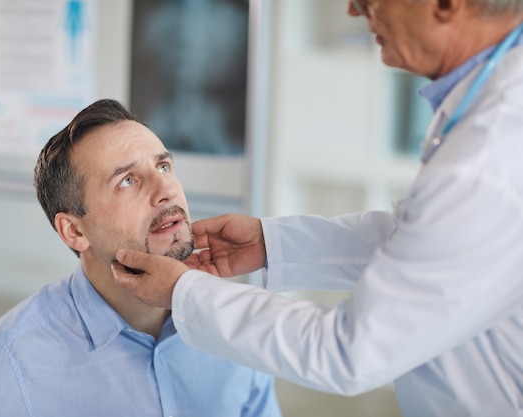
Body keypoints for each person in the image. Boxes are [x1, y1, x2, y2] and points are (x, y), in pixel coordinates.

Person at [112, 1, 523, 416]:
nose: (354, 9)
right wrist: (273, 243)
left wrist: (186, 293)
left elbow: (349, 354)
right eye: (126, 180)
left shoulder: (488, 160)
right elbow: (430, 242)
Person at [0, 99, 282, 417]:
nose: (166, 190)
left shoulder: (232, 328)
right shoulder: (9, 365)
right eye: (127, 181)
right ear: (74, 232)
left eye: (163, 166)